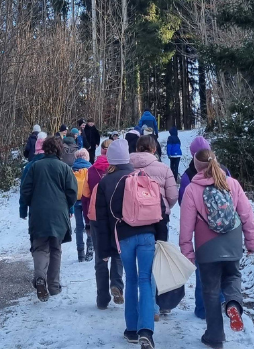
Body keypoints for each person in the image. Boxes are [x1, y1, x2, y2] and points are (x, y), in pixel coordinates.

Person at [179, 149, 254, 349]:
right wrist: (251, 242)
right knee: (232, 277)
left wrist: (187, 252)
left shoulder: (192, 189)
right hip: (232, 242)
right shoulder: (232, 183)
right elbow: (247, 215)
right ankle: (233, 305)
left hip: (206, 247)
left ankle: (214, 336)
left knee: (211, 290)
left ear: (196, 166)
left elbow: (186, 226)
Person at [95, 139, 167, 349]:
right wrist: (161, 238)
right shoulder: (141, 177)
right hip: (147, 235)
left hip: (124, 236)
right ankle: (146, 331)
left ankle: (132, 331)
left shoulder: (106, 182)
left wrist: (104, 250)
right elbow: (160, 210)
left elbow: (102, 220)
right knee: (145, 279)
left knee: (132, 280)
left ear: (110, 159)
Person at [178, 136, 231, 320]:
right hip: (226, 230)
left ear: (193, 156)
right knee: (223, 268)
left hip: (202, 233)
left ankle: (202, 309)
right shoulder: (224, 171)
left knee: (203, 272)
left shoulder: (187, 176)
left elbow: (182, 202)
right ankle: (223, 300)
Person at [20, 137, 79, 302]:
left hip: (38, 213)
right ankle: (53, 286)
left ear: (44, 149)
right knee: (55, 248)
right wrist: (66, 204)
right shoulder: (65, 168)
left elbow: (25, 190)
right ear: (60, 150)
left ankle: (40, 278)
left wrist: (28, 205)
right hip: (59, 213)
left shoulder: (34, 167)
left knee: (40, 248)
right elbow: (73, 192)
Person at [130, 135, 177, 316]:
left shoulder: (127, 167)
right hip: (158, 220)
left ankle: (139, 306)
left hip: (132, 219)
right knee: (157, 260)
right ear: (154, 149)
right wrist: (164, 206)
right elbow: (173, 196)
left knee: (138, 265)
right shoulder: (164, 169)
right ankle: (156, 305)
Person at [84, 139, 124, 308]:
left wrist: (86, 219)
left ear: (100, 151)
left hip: (95, 217)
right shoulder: (120, 172)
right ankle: (116, 284)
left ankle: (102, 298)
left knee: (101, 258)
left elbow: (85, 196)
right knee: (117, 252)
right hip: (115, 216)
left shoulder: (91, 170)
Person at [72, 148, 93, 262]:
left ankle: (80, 252)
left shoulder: (72, 169)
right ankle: (90, 248)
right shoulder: (90, 168)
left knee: (79, 227)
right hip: (87, 201)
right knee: (89, 225)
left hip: (76, 201)